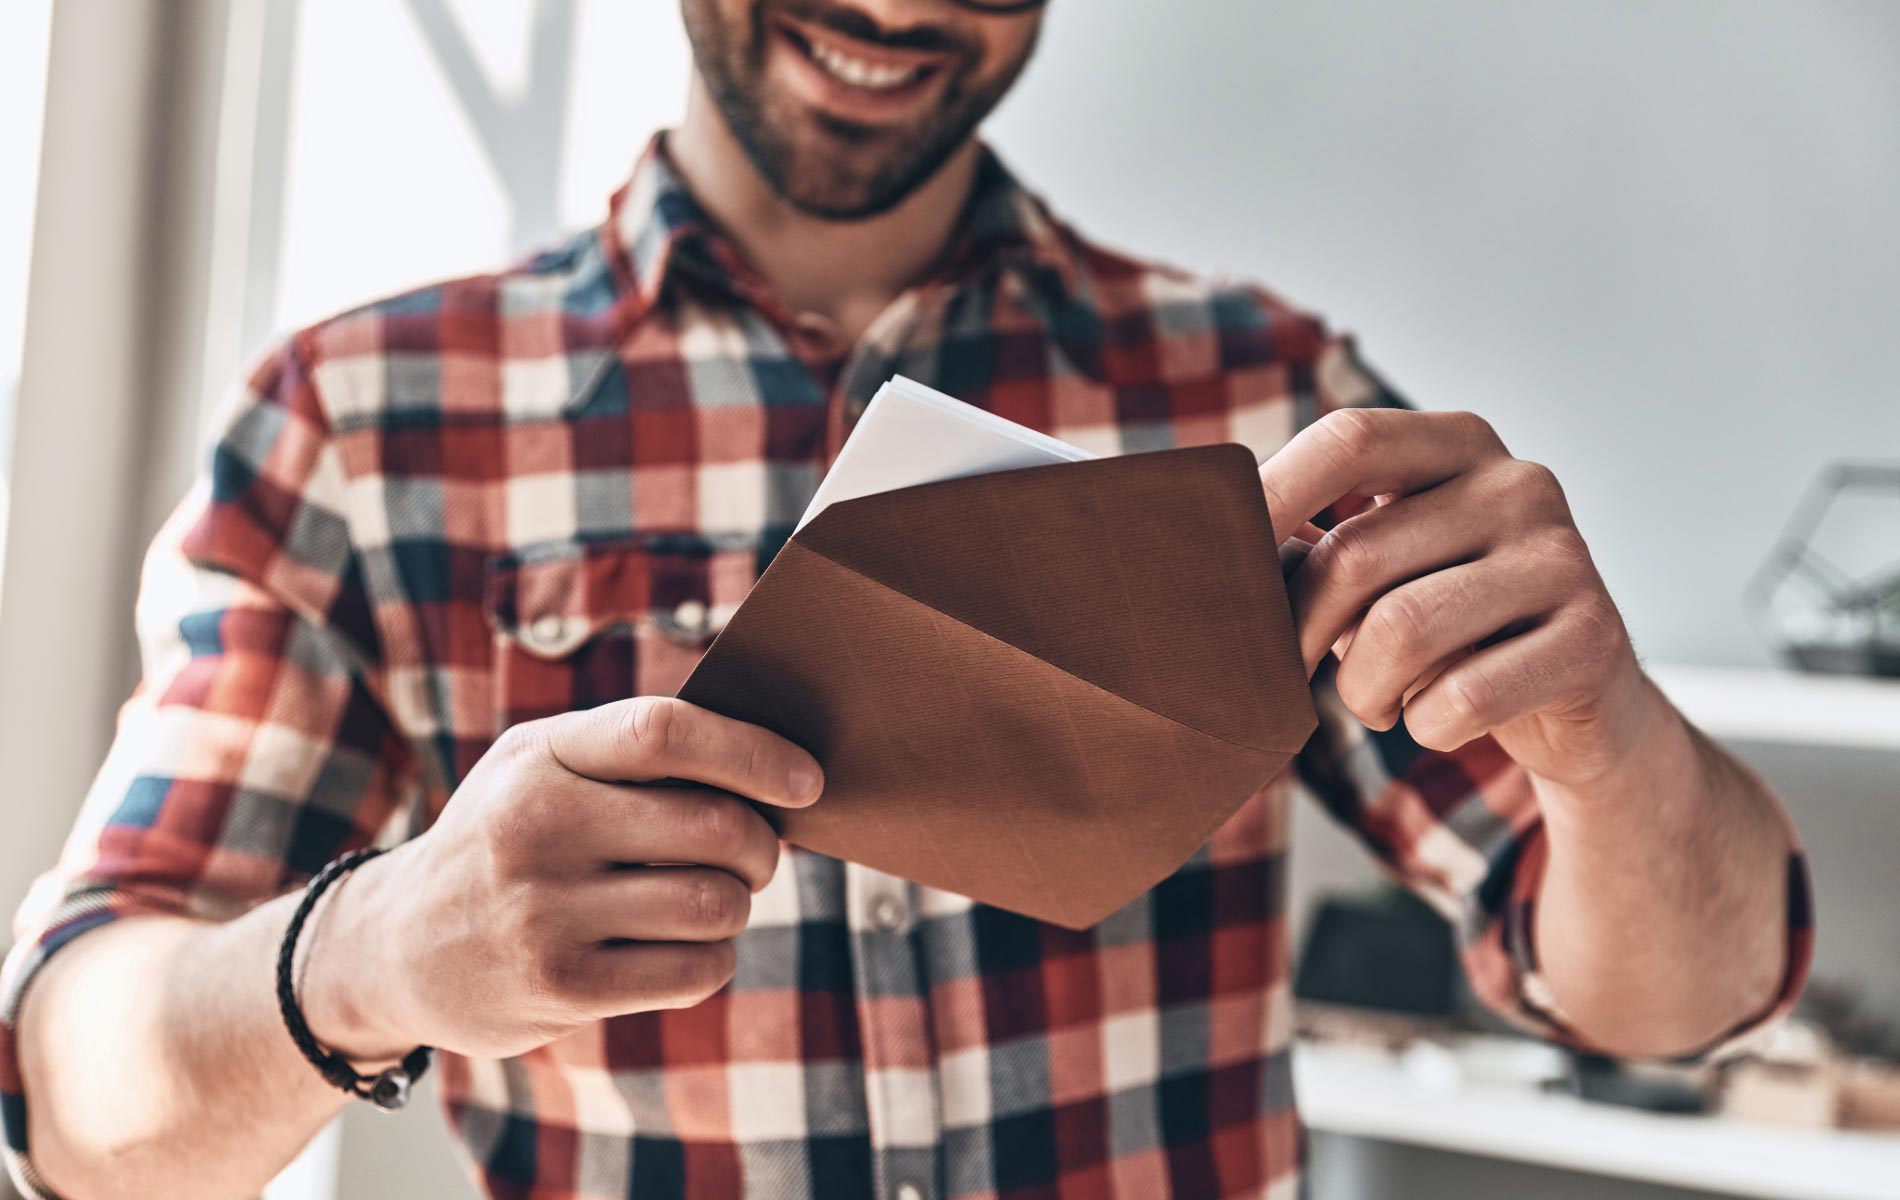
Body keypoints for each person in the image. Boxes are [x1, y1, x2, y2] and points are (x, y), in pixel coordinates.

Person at [3, 1, 1811, 1197]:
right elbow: (71, 1100)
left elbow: (1676, 1001)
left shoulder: (1263, 396)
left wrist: (1612, 749)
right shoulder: (359, 420)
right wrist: (379, 950)